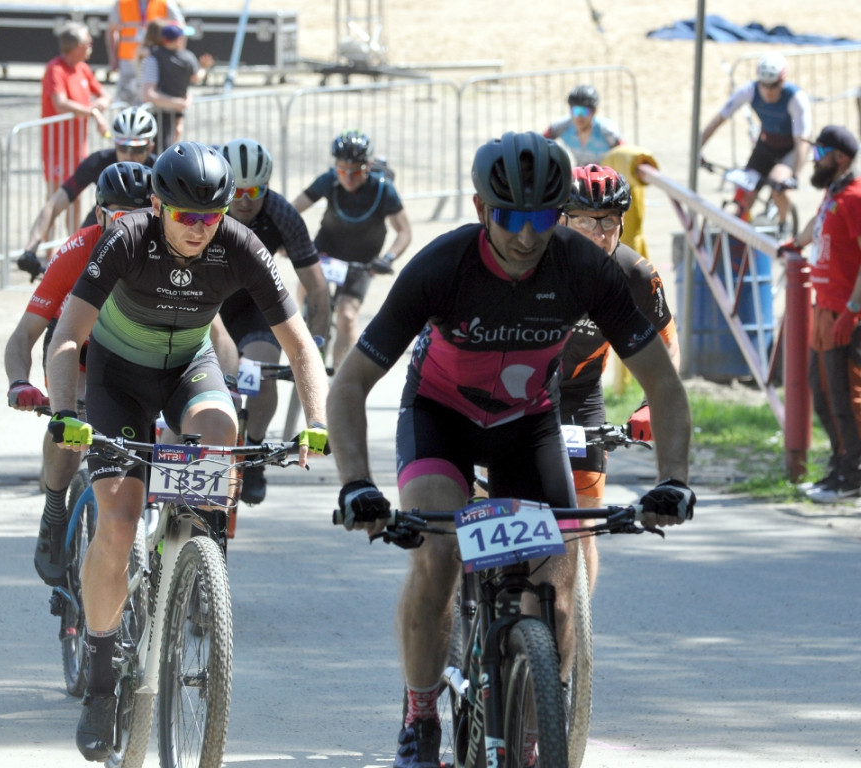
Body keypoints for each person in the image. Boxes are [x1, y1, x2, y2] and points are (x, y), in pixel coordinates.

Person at [328, 130, 695, 768]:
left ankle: (536, 722)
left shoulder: (587, 269)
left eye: (543, 218)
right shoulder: (443, 266)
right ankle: (420, 716)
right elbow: (351, 383)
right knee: (438, 552)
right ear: (480, 209)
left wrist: (674, 480)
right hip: (440, 417)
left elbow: (662, 379)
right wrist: (357, 483)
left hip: (529, 424)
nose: (527, 236)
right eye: (510, 218)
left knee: (558, 580)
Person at [43, 141, 330, 761]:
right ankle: (99, 672)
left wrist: (316, 420)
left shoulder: (241, 246)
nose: (200, 230)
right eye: (186, 217)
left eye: (212, 217)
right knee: (117, 526)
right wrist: (66, 413)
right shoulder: (124, 239)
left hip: (187, 369)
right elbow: (67, 338)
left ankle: (199, 559)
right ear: (156, 205)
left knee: (221, 429)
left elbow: (301, 345)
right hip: (117, 377)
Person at [6, 162, 152, 587]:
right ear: (100, 213)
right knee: (72, 426)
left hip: (135, 360)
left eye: (138, 216)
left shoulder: (165, 251)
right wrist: (20, 381)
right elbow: (23, 336)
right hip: (80, 358)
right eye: (116, 217)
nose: (126, 227)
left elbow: (214, 338)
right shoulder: (78, 248)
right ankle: (55, 510)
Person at [558, 163, 679, 591]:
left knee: (585, 523)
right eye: (584, 220)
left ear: (622, 222)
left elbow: (666, 346)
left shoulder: (637, 276)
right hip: (516, 392)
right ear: (561, 220)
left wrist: (651, 404)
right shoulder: (533, 263)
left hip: (578, 395)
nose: (598, 232)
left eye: (608, 221)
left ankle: (573, 632)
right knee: (491, 504)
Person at [219, 138, 331, 504]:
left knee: (263, 371)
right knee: (221, 379)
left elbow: (316, 288)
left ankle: (252, 455)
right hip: (209, 303)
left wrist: (315, 343)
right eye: (237, 190)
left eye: (256, 190)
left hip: (253, 304)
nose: (246, 199)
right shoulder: (207, 207)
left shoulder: (282, 214)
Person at [786, 125, 861, 504]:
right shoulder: (835, 190)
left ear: (839, 157)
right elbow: (820, 223)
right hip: (824, 308)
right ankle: (838, 466)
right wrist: (796, 243)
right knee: (824, 392)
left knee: (846, 395)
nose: (814, 159)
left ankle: (852, 478)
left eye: (819, 153)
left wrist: (853, 312)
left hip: (846, 312)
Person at [292, 130, 412, 366]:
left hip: (363, 260)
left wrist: (387, 258)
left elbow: (404, 232)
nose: (347, 177)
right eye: (342, 170)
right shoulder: (329, 180)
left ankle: (340, 377)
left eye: (355, 171)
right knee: (307, 289)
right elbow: (292, 210)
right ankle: (306, 322)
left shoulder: (383, 188)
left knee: (347, 316)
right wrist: (288, 241)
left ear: (367, 166)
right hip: (327, 250)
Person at [18, 106, 158, 280]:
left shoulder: (160, 171)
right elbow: (54, 204)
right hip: (100, 229)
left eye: (137, 150)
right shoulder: (98, 162)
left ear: (150, 147)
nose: (129, 155)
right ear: (115, 143)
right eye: (122, 148)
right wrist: (30, 249)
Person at [699, 52, 811, 236]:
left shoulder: (796, 98)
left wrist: (796, 175)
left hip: (789, 149)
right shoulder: (749, 90)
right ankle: (740, 232)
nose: (768, 91)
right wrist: (698, 148)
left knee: (778, 185)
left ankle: (783, 225)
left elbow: (802, 141)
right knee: (745, 191)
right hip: (766, 145)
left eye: (773, 85)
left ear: (782, 81)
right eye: (763, 85)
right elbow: (719, 119)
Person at [40, 22, 112, 228]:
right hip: (57, 147)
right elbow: (60, 103)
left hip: (77, 147)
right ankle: (47, 254)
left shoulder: (83, 68)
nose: (91, 46)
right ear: (77, 46)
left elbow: (104, 94)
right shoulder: (55, 69)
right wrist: (93, 111)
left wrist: (101, 104)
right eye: (88, 42)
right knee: (55, 198)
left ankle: (73, 244)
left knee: (76, 197)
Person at [140, 20, 214, 153]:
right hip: (168, 109)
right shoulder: (187, 57)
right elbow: (196, 77)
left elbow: (141, 52)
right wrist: (203, 68)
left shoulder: (154, 54)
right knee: (166, 146)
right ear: (178, 39)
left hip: (162, 109)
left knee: (162, 145)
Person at [104, 0, 185, 106]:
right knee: (126, 98)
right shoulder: (122, 3)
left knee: (149, 97)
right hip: (128, 58)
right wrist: (113, 57)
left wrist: (177, 55)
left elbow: (180, 28)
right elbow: (111, 30)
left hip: (154, 59)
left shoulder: (165, 3)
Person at [543, 84, 623, 166]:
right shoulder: (561, 127)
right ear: (570, 110)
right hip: (581, 173)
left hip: (607, 174)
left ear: (594, 111)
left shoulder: (608, 131)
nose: (579, 116)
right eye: (576, 110)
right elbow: (540, 142)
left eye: (584, 111)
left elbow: (624, 152)